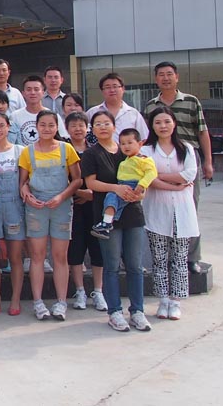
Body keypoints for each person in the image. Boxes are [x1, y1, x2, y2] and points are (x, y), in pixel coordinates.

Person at [83, 110, 152, 333]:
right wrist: (116, 188)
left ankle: (137, 311)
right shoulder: (91, 154)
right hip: (107, 216)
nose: (103, 127)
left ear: (114, 126)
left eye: (107, 123)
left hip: (133, 213)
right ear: (92, 129)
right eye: (98, 124)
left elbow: (146, 176)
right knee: (111, 265)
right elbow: (91, 184)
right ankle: (114, 312)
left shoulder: (128, 149)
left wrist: (139, 193)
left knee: (135, 265)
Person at [145, 61, 212, 274]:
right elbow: (147, 136)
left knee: (189, 208)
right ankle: (163, 257)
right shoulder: (151, 105)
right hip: (157, 158)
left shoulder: (191, 101)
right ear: (156, 79)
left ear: (177, 77)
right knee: (159, 209)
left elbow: (202, 132)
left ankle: (191, 257)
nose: (165, 78)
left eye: (169, 74)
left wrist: (208, 161)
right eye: (161, 74)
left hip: (186, 159)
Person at [19, 110, 81, 322]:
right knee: (37, 256)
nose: (47, 129)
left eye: (51, 125)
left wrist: (61, 196)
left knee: (60, 256)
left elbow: (77, 180)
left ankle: (61, 302)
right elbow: (22, 182)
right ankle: (38, 302)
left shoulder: (67, 149)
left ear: (57, 127)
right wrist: (27, 195)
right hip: (36, 207)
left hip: (61, 206)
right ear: (36, 126)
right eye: (42, 125)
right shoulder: (27, 152)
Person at [141, 107, 200, 321]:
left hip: (182, 211)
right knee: (159, 259)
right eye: (158, 122)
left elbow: (189, 174)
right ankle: (163, 300)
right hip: (156, 210)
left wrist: (160, 176)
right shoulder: (146, 151)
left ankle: (176, 302)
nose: (163, 126)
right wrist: (175, 183)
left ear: (174, 123)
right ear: (152, 126)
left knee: (180, 258)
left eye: (167, 121)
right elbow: (148, 178)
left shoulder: (186, 148)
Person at [64, 111, 107, 313]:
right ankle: (80, 290)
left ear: (87, 128)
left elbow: (107, 177)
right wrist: (79, 192)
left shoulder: (97, 149)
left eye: (81, 125)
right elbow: (58, 178)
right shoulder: (63, 149)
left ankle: (98, 291)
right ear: (67, 128)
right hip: (72, 206)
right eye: (73, 126)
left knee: (97, 248)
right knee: (76, 249)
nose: (77, 129)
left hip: (96, 206)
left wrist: (92, 195)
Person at [91, 128, 157, 239]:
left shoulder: (143, 159)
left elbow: (152, 173)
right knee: (114, 201)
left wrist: (142, 185)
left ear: (140, 144)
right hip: (122, 184)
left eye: (130, 143)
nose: (126, 146)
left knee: (112, 197)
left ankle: (106, 223)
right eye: (123, 144)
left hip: (133, 184)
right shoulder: (125, 160)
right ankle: (107, 223)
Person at [0, 112, 23, 315]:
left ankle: (15, 299)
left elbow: (26, 180)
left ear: (9, 127)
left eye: (2, 125)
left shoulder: (20, 151)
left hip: (15, 207)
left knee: (16, 256)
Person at [87, 73, 149, 140]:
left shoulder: (134, 114)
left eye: (115, 86)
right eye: (107, 87)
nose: (112, 90)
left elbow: (144, 138)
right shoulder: (92, 113)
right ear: (102, 91)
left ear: (123, 89)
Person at [11, 75, 67, 146]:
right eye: (29, 89)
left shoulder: (53, 116)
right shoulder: (15, 116)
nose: (33, 92)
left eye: (36, 89)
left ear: (43, 92)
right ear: (23, 93)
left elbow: (63, 140)